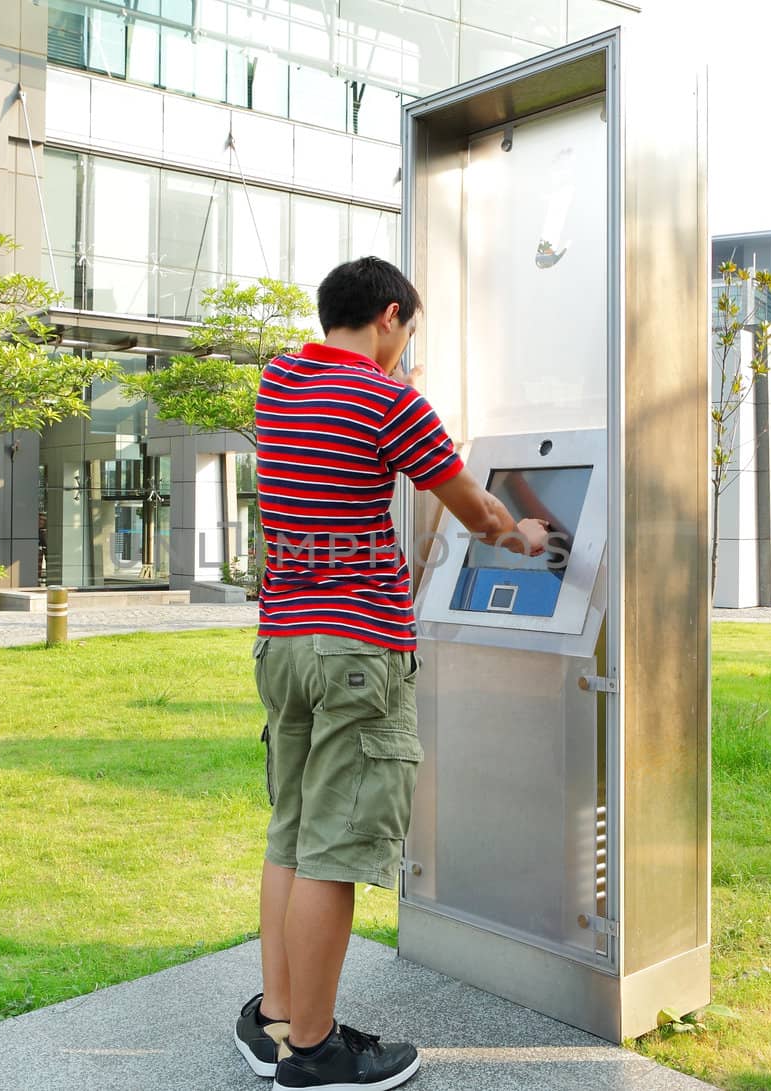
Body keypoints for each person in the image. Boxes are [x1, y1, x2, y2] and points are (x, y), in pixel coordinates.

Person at [234, 257, 549, 1090]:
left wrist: (392, 372)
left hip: (284, 643)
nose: (408, 346)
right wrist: (530, 537)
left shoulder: (278, 383)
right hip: (355, 654)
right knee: (335, 852)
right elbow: (472, 507)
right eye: (408, 329)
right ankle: (313, 1050)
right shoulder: (388, 400)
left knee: (293, 832)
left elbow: (332, 451)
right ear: (388, 315)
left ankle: (275, 1015)